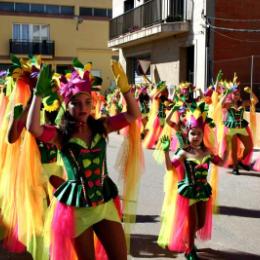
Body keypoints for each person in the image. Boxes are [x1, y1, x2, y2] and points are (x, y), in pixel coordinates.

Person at [26, 61, 141, 260]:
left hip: (104, 203)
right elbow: (33, 128)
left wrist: (126, 90)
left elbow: (133, 114)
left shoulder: (102, 126)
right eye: (76, 103)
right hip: (76, 209)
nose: (83, 108)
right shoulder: (61, 135)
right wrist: (37, 95)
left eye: (88, 102)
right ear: (66, 104)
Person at [157, 111, 227, 260]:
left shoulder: (207, 151)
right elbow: (170, 168)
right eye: (192, 134)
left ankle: (186, 238)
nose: (196, 137)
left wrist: (226, 145)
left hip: (203, 191)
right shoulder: (183, 152)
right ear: (187, 135)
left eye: (199, 134)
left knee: (201, 223)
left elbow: (221, 162)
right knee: (193, 220)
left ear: (203, 135)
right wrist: (165, 152)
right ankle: (189, 250)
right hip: (188, 190)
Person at [220, 83, 258, 175]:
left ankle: (240, 161)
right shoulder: (228, 104)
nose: (236, 96)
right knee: (234, 148)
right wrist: (226, 93)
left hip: (241, 126)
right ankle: (235, 167)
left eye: (238, 94)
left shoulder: (242, 103)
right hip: (231, 127)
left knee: (249, 146)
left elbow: (255, 101)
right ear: (231, 94)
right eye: (234, 94)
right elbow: (220, 104)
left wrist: (250, 91)